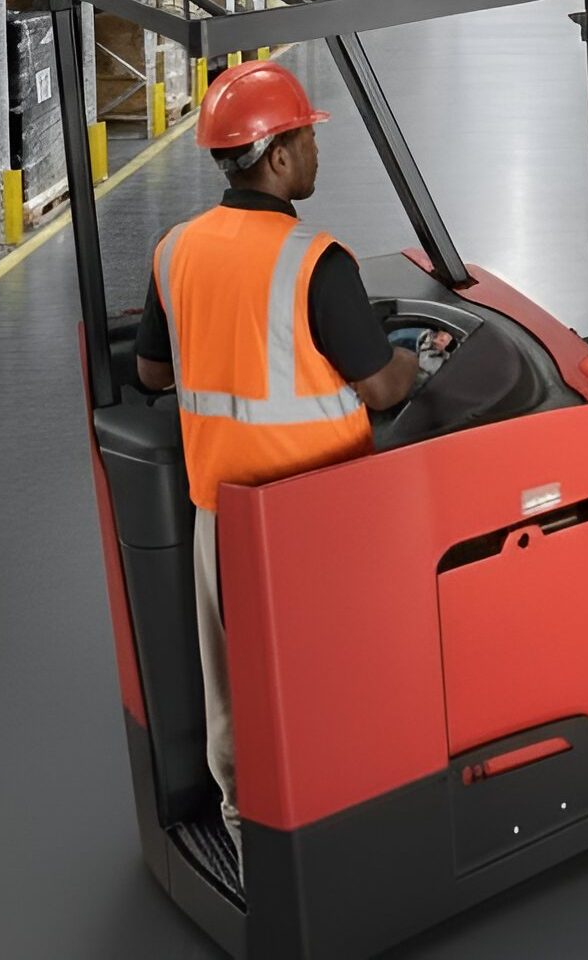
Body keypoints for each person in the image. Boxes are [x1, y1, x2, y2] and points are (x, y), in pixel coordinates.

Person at [131, 60, 419, 861]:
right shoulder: (316, 260)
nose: (316, 155)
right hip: (315, 513)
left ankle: (247, 841)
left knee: (235, 703)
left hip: (219, 516)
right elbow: (384, 386)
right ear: (279, 157)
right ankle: (349, 840)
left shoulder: (175, 250)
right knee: (335, 685)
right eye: (307, 141)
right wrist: (415, 361)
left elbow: (154, 373)